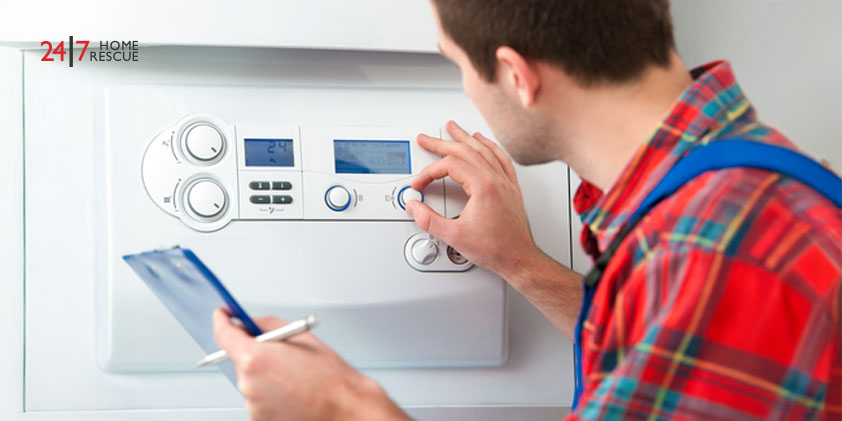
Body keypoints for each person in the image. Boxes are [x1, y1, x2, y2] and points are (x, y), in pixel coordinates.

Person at [213, 0, 842, 419]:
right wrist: (521, 263)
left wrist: (344, 406)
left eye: (456, 63)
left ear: (516, 75)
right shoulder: (740, 186)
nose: (464, 87)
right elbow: (661, 347)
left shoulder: (711, 253)